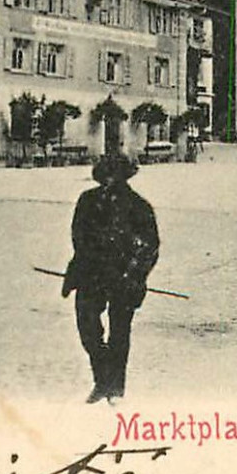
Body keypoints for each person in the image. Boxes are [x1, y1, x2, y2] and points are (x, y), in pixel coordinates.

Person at [62, 155, 160, 403]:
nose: (109, 182)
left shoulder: (139, 207)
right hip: (90, 275)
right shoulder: (87, 201)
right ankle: (104, 377)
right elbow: (78, 236)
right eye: (105, 176)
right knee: (88, 329)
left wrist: (132, 274)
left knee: (119, 333)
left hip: (123, 280)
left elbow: (149, 247)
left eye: (115, 177)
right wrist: (84, 263)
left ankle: (113, 388)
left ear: (125, 177)